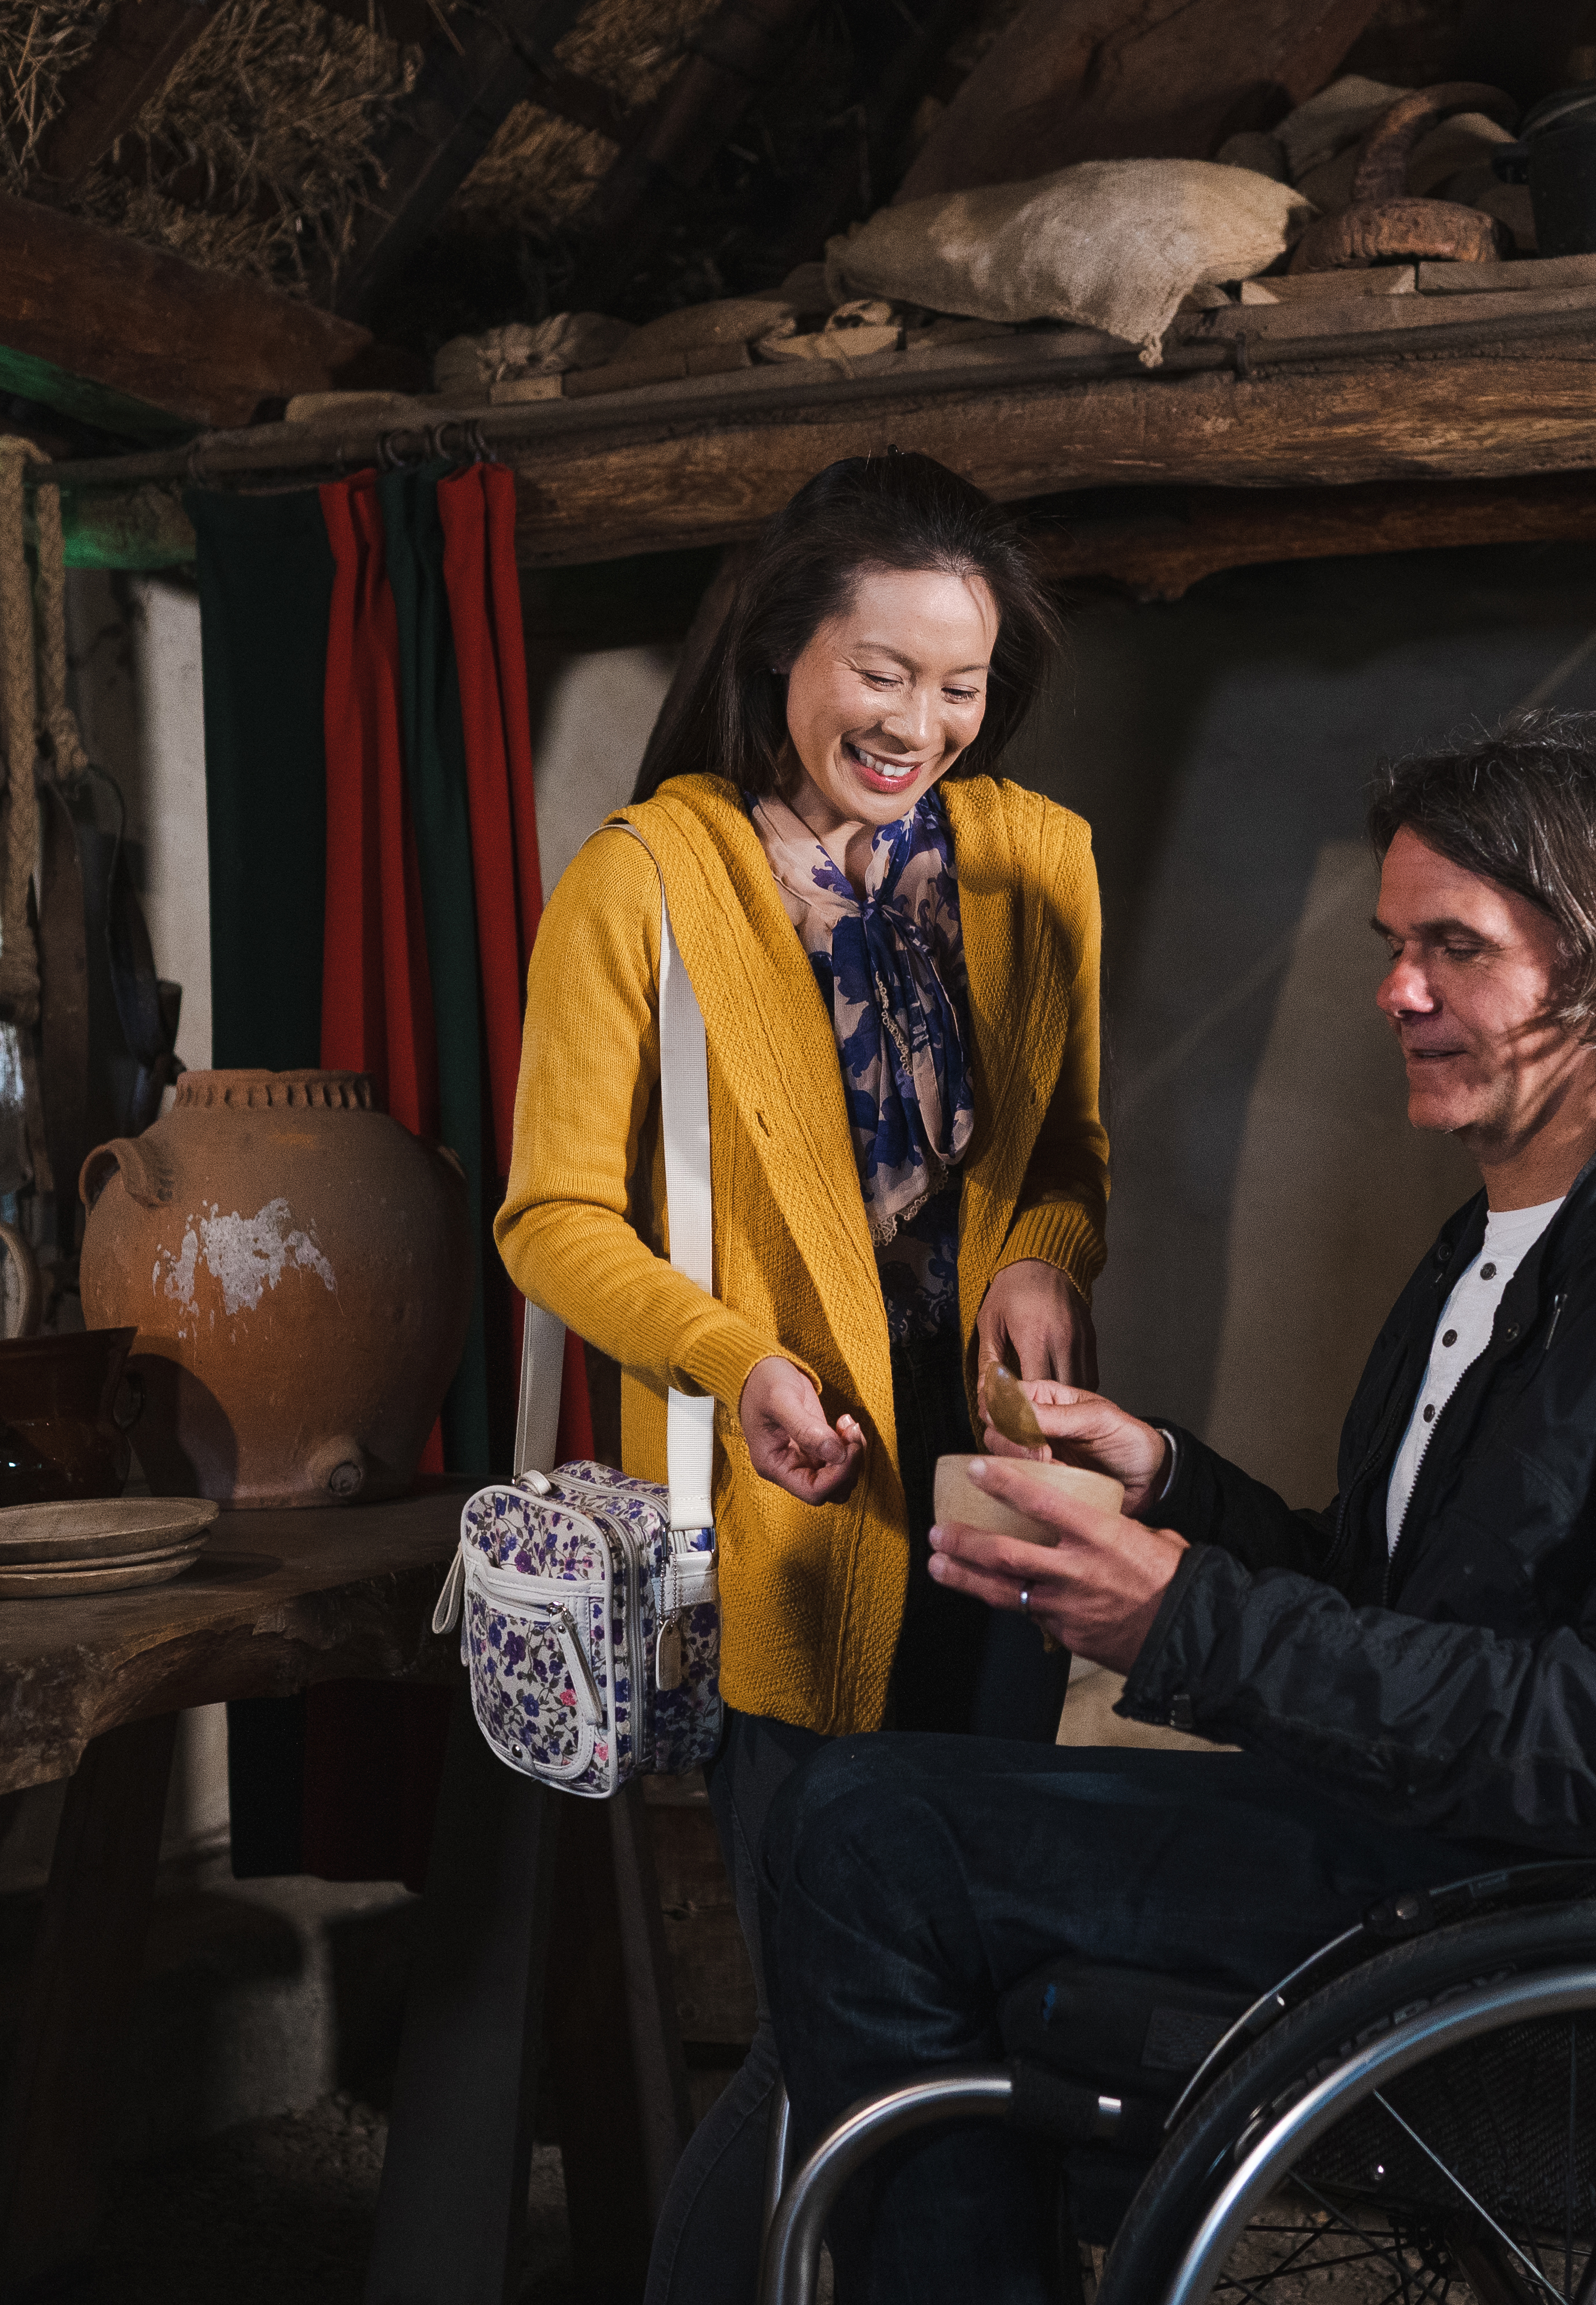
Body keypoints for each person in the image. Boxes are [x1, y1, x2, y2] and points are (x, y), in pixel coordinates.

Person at [749, 709, 1596, 2299]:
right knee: (887, 1814)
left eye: (1457, 948)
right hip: (1444, 1859)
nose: (1397, 993)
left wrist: (1184, 1618)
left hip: (1575, 1931)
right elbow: (1396, 1603)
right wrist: (1171, 1484)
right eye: (1392, 944)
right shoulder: (1493, 1252)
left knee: (870, 1835)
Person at [493, 451, 1107, 2301]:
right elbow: (548, 1218)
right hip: (789, 1503)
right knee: (826, 2034)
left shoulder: (1033, 865)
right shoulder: (649, 881)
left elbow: (1068, 1153)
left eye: (961, 684)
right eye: (883, 672)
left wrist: (1038, 1267)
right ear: (784, 654)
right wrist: (735, 1355)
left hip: (996, 1508)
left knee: (976, 1998)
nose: (920, 722)